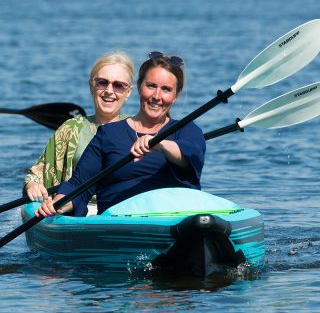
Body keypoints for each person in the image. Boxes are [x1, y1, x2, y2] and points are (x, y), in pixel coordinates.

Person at [35, 52, 204, 218]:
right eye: (151, 86)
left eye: (166, 89)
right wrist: (57, 205)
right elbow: (80, 185)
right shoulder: (109, 134)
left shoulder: (187, 130)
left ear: (175, 96)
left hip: (176, 219)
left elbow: (191, 156)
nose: (157, 96)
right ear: (138, 86)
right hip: (120, 222)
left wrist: (159, 143)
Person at [23, 51, 135, 201]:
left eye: (118, 85)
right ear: (91, 86)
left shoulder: (138, 129)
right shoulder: (70, 129)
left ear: (128, 92)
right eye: (102, 82)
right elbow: (36, 175)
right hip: (74, 211)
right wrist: (32, 186)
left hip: (124, 211)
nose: (109, 91)